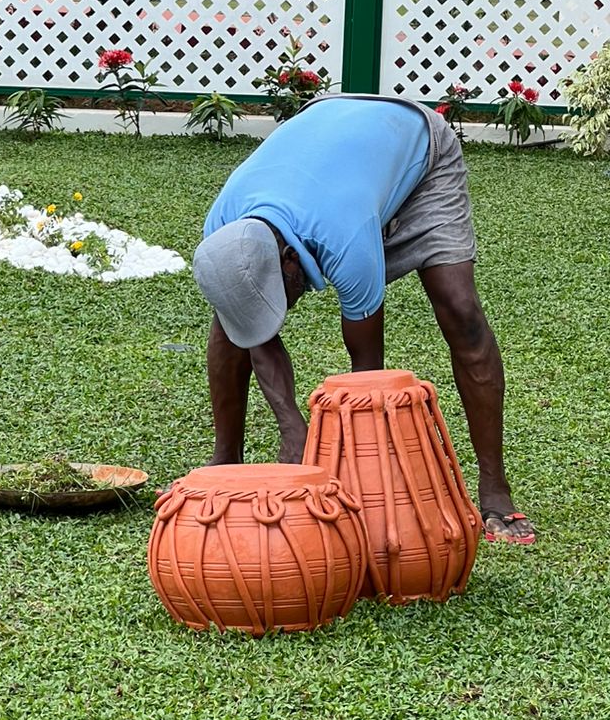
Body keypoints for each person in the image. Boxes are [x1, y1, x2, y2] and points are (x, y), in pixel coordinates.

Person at [191, 94, 535, 545]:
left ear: (292, 261)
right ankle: (225, 463)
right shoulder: (225, 232)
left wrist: (360, 487)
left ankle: (495, 493)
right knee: (232, 317)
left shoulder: (344, 240)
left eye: (279, 293)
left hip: (417, 149)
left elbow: (367, 375)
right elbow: (254, 329)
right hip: (335, 143)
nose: (282, 306)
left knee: (459, 308)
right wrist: (293, 425)